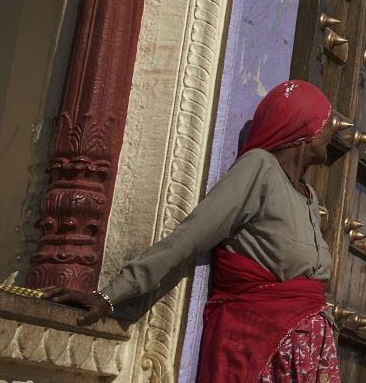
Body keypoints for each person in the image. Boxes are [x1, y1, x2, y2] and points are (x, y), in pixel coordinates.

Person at [45, 79, 345, 382]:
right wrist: (110, 295)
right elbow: (190, 236)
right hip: (261, 348)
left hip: (304, 355)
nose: (332, 131)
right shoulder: (259, 169)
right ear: (304, 126)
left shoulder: (307, 195)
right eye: (325, 121)